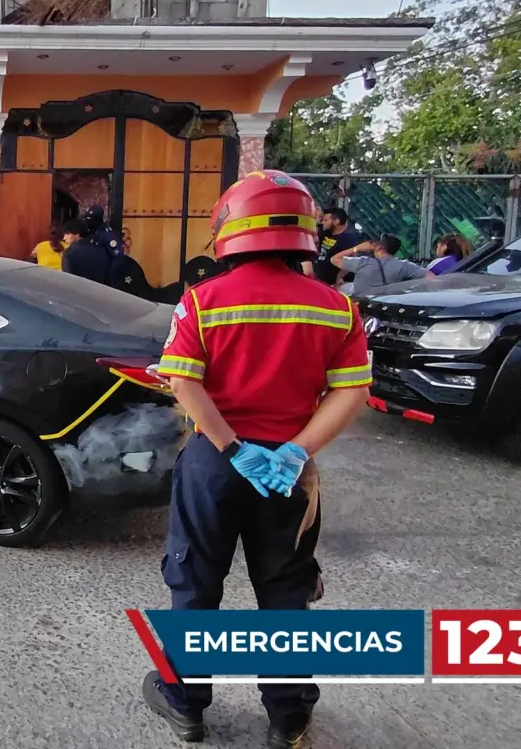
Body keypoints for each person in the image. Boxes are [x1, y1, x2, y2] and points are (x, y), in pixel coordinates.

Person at [145, 170, 372, 749]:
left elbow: (184, 382)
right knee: (284, 589)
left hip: (216, 463)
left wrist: (231, 447)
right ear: (304, 232)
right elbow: (351, 392)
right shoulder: (336, 308)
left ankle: (186, 707)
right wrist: (296, 450)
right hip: (289, 472)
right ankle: (287, 717)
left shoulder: (202, 300)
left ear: (229, 229)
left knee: (195, 582)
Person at [330, 233, 432, 295]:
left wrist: (356, 248)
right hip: (388, 302)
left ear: (378, 248)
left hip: (361, 303)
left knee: (338, 289)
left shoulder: (363, 262)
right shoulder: (404, 266)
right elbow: (431, 277)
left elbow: (334, 259)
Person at [309, 207, 361, 287]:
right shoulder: (326, 232)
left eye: (326, 220)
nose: (323, 222)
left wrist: (339, 278)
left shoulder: (347, 238)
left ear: (336, 221)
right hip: (319, 279)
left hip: (334, 284)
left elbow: (350, 260)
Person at [60, 218, 111, 284]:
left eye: (67, 234)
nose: (64, 238)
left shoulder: (69, 253)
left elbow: (68, 280)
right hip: (99, 290)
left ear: (77, 235)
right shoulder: (101, 251)